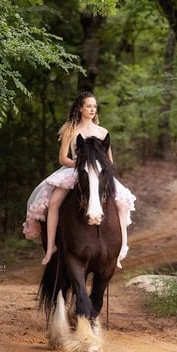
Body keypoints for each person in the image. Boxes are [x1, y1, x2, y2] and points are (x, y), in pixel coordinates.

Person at [23, 91, 136, 268]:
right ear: (80, 108)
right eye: (88, 106)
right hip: (75, 170)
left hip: (98, 172)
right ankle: (51, 246)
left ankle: (120, 251)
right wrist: (79, 164)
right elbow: (62, 158)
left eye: (94, 107)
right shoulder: (71, 129)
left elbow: (110, 160)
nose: (92, 109)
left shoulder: (102, 131)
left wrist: (98, 167)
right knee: (53, 202)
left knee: (122, 204)